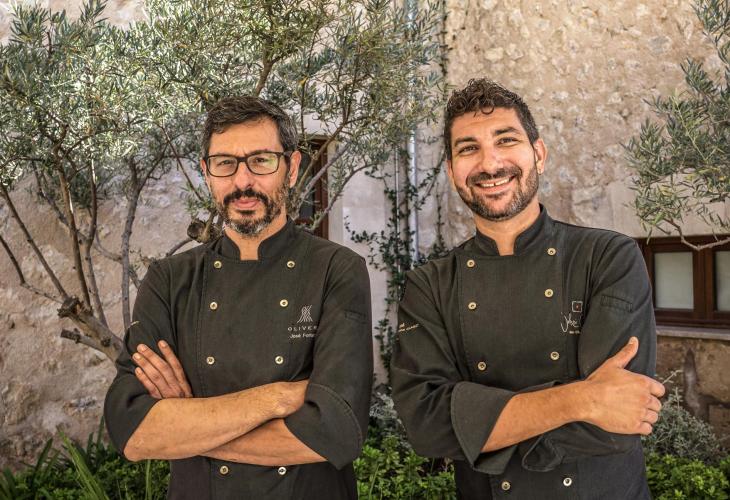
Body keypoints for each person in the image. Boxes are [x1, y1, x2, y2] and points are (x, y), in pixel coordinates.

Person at [390, 79, 665, 499]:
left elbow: (619, 421)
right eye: (468, 148)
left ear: (539, 153)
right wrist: (582, 401)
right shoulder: (429, 285)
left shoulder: (608, 258)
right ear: (451, 170)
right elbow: (427, 427)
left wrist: (476, 429)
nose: (490, 163)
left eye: (506, 140)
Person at [104, 96, 373, 500]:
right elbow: (132, 431)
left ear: (292, 168)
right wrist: (276, 398)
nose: (242, 181)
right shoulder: (169, 280)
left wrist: (187, 424)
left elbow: (335, 431)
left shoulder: (337, 270)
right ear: (206, 173)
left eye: (261, 161)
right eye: (225, 163)